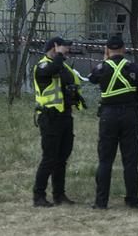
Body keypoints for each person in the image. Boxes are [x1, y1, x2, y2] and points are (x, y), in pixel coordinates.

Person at [89, 36, 138, 209]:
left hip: (108, 116)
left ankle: (101, 202)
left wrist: (105, 61)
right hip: (129, 116)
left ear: (107, 50)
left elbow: (92, 79)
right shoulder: (133, 68)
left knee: (105, 161)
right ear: (124, 49)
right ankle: (132, 200)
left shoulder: (101, 68)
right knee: (130, 161)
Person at [33, 36, 86, 207]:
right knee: (49, 158)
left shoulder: (61, 66)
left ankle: (59, 194)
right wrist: (60, 55)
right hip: (50, 118)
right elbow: (51, 70)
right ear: (54, 48)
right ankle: (39, 196)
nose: (67, 51)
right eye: (64, 47)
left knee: (62, 158)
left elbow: (71, 82)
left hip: (64, 116)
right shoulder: (42, 65)